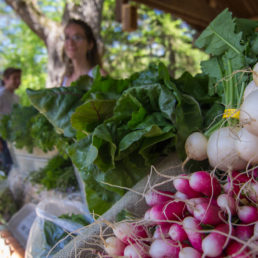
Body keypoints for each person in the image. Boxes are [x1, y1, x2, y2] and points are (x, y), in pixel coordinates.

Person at [61, 19, 106, 87]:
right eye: (67, 38)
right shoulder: (65, 79)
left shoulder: (99, 75)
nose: (70, 43)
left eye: (77, 37)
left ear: (90, 44)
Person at [0, 67, 22, 174]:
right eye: (15, 78)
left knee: (16, 166)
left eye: (19, 78)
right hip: (2, 138)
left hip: (13, 137)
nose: (18, 81)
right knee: (8, 167)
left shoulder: (16, 97)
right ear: (5, 79)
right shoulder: (1, 95)